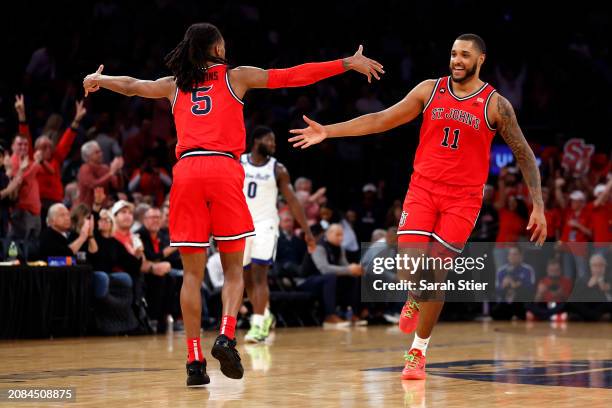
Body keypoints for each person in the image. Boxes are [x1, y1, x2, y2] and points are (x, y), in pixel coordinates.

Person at [83, 21, 383, 386]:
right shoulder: (235, 77)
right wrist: (345, 63)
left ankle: (194, 362)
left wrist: (100, 80)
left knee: (191, 275)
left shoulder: (173, 84)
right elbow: (290, 76)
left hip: (188, 170)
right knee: (233, 270)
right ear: (219, 49)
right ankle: (226, 335)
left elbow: (131, 86)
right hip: (224, 168)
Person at [289, 33, 546, 380]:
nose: (457, 60)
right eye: (453, 53)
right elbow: (382, 118)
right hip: (423, 190)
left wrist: (538, 206)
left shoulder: (495, 105)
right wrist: (329, 132)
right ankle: (413, 293)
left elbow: (524, 154)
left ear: (480, 59)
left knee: (436, 275)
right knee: (410, 268)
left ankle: (418, 351)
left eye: (465, 55)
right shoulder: (430, 89)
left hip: (463, 199)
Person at [240, 125, 316, 343]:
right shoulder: (239, 163)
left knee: (259, 274)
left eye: (274, 141)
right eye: (269, 140)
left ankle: (257, 325)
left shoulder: (278, 169)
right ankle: (264, 314)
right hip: (242, 226)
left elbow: (292, 201)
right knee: (246, 278)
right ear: (256, 141)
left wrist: (308, 232)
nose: (273, 144)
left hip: (266, 225)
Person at [299, 223, 363, 327]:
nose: (341, 238)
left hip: (325, 281)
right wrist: (349, 269)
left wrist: (355, 269)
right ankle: (330, 316)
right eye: (338, 235)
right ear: (328, 234)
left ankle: (351, 313)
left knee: (352, 277)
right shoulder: (318, 246)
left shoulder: (340, 248)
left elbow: (344, 265)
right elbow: (324, 269)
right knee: (330, 277)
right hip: (306, 281)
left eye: (342, 235)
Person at [77, 140, 124, 207]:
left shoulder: (105, 168)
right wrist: (111, 173)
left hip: (104, 207)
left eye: (100, 151)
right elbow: (93, 185)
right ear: (88, 156)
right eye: (97, 152)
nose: (101, 154)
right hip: (87, 208)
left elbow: (118, 186)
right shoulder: (84, 169)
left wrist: (118, 171)